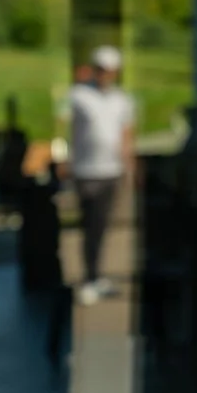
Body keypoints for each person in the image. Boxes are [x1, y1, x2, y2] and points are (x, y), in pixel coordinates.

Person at [68, 44, 135, 306]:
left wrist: (129, 167)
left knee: (102, 226)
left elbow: (126, 135)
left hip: (111, 170)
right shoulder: (79, 96)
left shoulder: (121, 100)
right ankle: (89, 277)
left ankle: (96, 275)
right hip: (87, 170)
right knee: (90, 226)